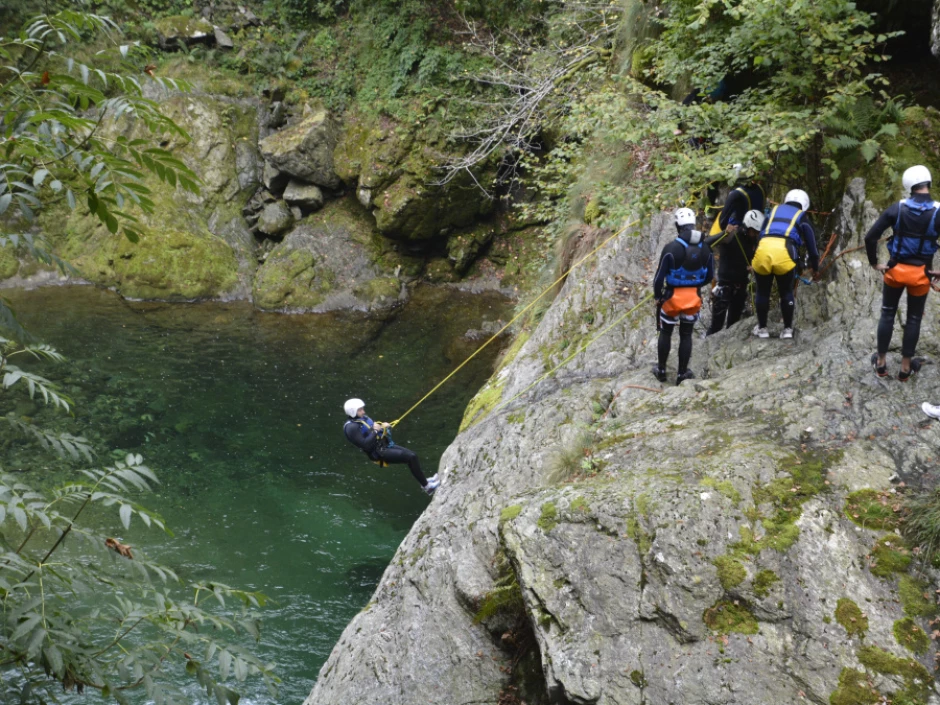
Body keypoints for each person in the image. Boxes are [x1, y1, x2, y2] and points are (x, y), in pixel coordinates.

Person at [866, 165, 940, 381]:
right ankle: (905, 368)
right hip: (921, 275)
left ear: (908, 186)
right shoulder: (938, 211)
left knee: (888, 313)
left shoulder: (896, 209)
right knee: (914, 318)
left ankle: (881, 364)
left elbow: (871, 237)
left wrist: (874, 264)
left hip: (895, 272)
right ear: (928, 183)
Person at [652, 208, 715, 385]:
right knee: (686, 335)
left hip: (671, 298)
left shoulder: (671, 249)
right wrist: (693, 285)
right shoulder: (706, 249)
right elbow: (710, 276)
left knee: (666, 332)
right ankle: (682, 374)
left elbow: (659, 278)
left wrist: (658, 296)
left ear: (677, 226)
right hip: (693, 299)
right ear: (693, 224)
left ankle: (662, 370)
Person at [750, 189, 819, 339]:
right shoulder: (801, 216)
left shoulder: (773, 211)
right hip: (784, 253)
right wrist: (815, 267)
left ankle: (762, 329)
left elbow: (761, 233)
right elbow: (812, 245)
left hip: (763, 251)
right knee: (786, 292)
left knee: (762, 292)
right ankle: (787, 329)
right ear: (804, 204)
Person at [342, 398, 440, 495]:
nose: (363, 411)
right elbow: (366, 445)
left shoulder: (363, 418)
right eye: (360, 410)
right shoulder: (351, 428)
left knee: (413, 455)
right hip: (378, 453)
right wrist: (375, 431)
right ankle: (427, 487)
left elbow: (372, 428)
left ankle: (424, 481)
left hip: (384, 445)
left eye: (362, 408)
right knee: (411, 457)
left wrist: (382, 426)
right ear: (352, 412)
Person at [705, 209, 764, 334]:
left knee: (733, 326)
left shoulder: (753, 240)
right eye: (754, 231)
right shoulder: (732, 235)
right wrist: (724, 234)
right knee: (716, 327)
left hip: (740, 286)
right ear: (748, 227)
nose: (755, 234)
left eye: (757, 232)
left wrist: (753, 266)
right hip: (724, 286)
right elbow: (707, 243)